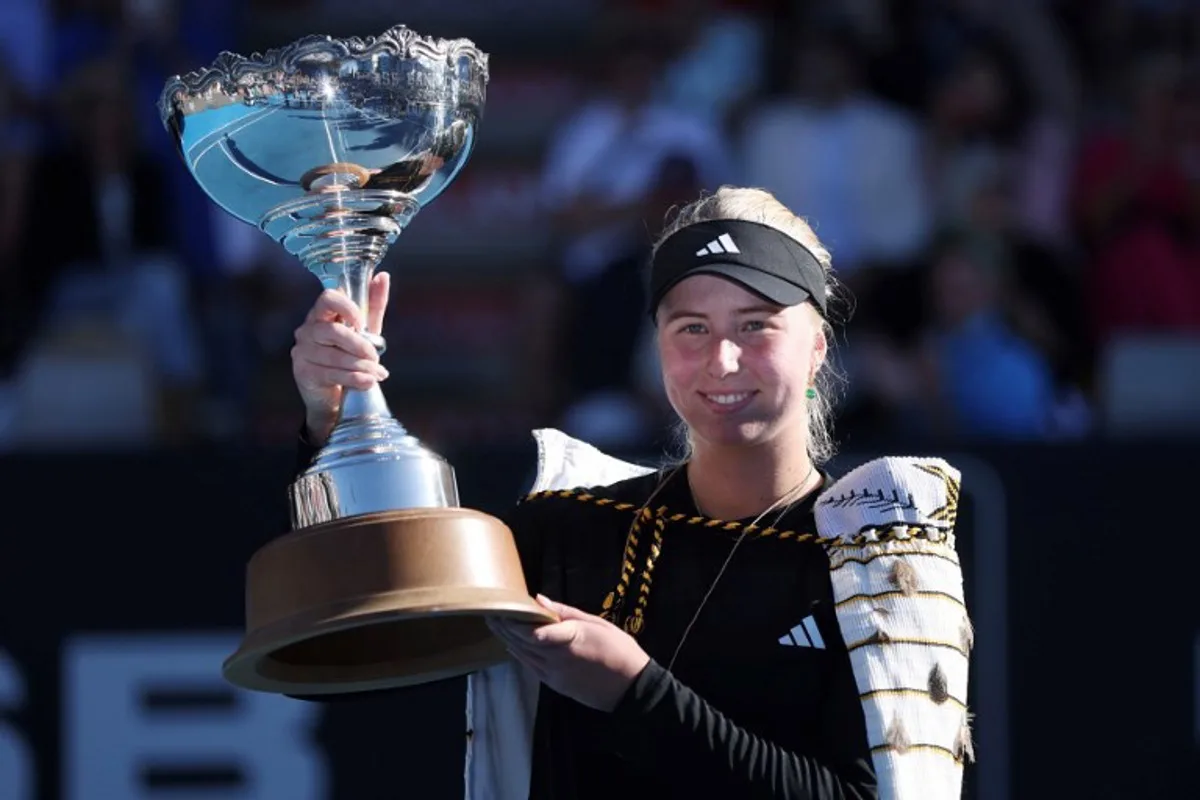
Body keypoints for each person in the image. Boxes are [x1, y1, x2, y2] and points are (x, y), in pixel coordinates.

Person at [290, 186, 972, 799]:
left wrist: (636, 693)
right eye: (692, 329)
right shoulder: (570, 523)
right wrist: (339, 418)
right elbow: (349, 634)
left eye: (756, 324)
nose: (722, 360)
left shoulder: (884, 561)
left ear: (818, 346)